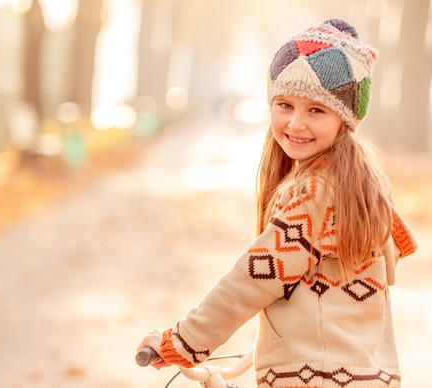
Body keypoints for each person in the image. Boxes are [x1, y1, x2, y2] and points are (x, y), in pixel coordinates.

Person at [137, 18, 417, 388]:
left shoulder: (316, 191)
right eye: (285, 105)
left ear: (345, 120)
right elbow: (338, 298)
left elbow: (254, 278)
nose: (296, 123)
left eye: (317, 110)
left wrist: (184, 342)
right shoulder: (361, 185)